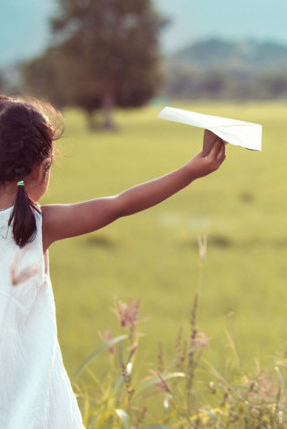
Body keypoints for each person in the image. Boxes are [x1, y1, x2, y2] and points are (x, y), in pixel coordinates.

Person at [0, 96, 226, 428]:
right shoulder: (37, 229)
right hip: (37, 412)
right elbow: (119, 205)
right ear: (40, 170)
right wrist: (191, 171)